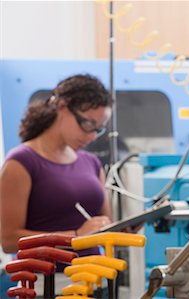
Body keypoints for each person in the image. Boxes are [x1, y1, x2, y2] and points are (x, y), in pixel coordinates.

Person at [0, 74, 113, 257]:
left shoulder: (91, 162)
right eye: (87, 124)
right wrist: (74, 237)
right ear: (62, 107)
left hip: (95, 273)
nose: (92, 136)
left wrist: (122, 230)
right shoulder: (21, 162)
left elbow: (105, 224)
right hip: (45, 279)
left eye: (98, 129)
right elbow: (9, 241)